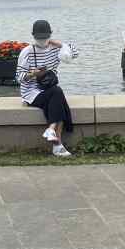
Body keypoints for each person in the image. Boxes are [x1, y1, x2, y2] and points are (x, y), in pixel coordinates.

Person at [16, 19, 78, 157]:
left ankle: (54, 136)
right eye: (39, 38)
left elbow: (75, 53)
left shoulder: (55, 49)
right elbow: (18, 77)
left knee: (56, 96)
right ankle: (57, 144)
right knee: (58, 94)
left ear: (50, 35)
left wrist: (61, 44)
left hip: (48, 89)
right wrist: (32, 74)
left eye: (44, 37)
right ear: (33, 36)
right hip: (31, 92)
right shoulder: (27, 52)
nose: (42, 40)